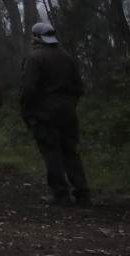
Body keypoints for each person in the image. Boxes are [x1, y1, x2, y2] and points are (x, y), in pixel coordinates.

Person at [21, 22, 90, 206]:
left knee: (52, 153)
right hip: (68, 114)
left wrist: (28, 113)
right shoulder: (68, 58)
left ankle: (60, 194)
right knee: (71, 153)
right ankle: (82, 193)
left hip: (44, 115)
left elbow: (28, 89)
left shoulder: (34, 59)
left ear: (36, 37)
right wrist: (69, 105)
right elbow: (78, 88)